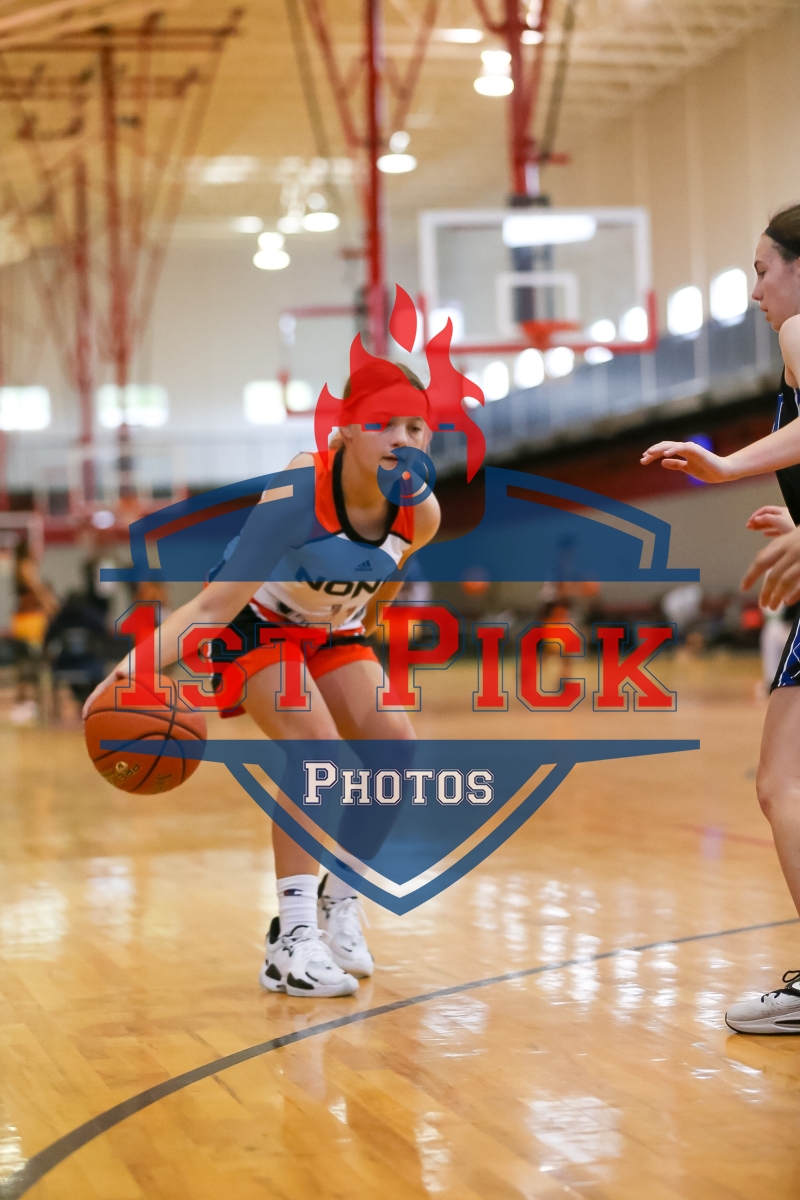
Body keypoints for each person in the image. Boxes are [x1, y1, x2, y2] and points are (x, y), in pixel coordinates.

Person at [84, 361, 441, 999]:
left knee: (396, 748)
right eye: (384, 423)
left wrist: (364, 628)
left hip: (332, 628)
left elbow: (387, 578)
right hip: (253, 622)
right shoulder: (299, 492)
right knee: (318, 753)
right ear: (345, 430)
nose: (402, 438)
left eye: (415, 427)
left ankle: (338, 903)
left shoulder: (423, 511)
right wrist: (121, 675)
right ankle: (291, 941)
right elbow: (211, 607)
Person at [641, 203, 800, 1033]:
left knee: (784, 784)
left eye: (764, 271)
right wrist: (733, 468)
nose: (756, 292)